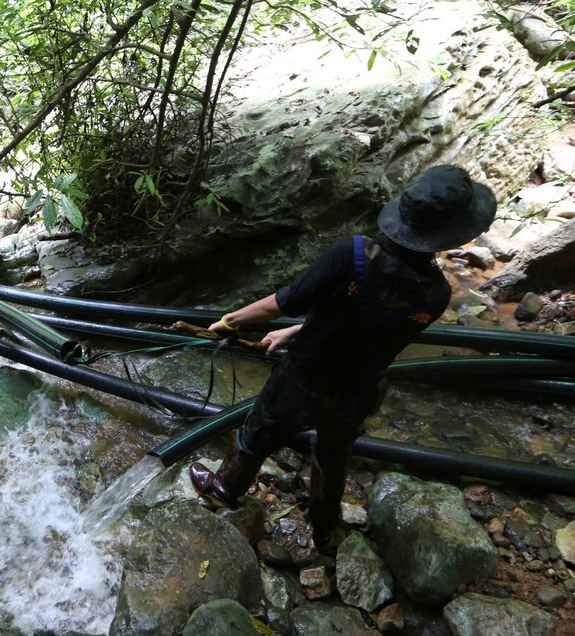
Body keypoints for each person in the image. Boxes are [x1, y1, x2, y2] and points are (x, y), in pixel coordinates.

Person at [188, 165, 496, 551]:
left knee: (258, 432)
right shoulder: (435, 294)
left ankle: (224, 489)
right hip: (358, 388)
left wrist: (229, 321)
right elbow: (372, 329)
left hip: (304, 377)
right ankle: (323, 527)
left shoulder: (351, 254)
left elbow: (288, 301)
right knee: (333, 455)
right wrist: (295, 331)